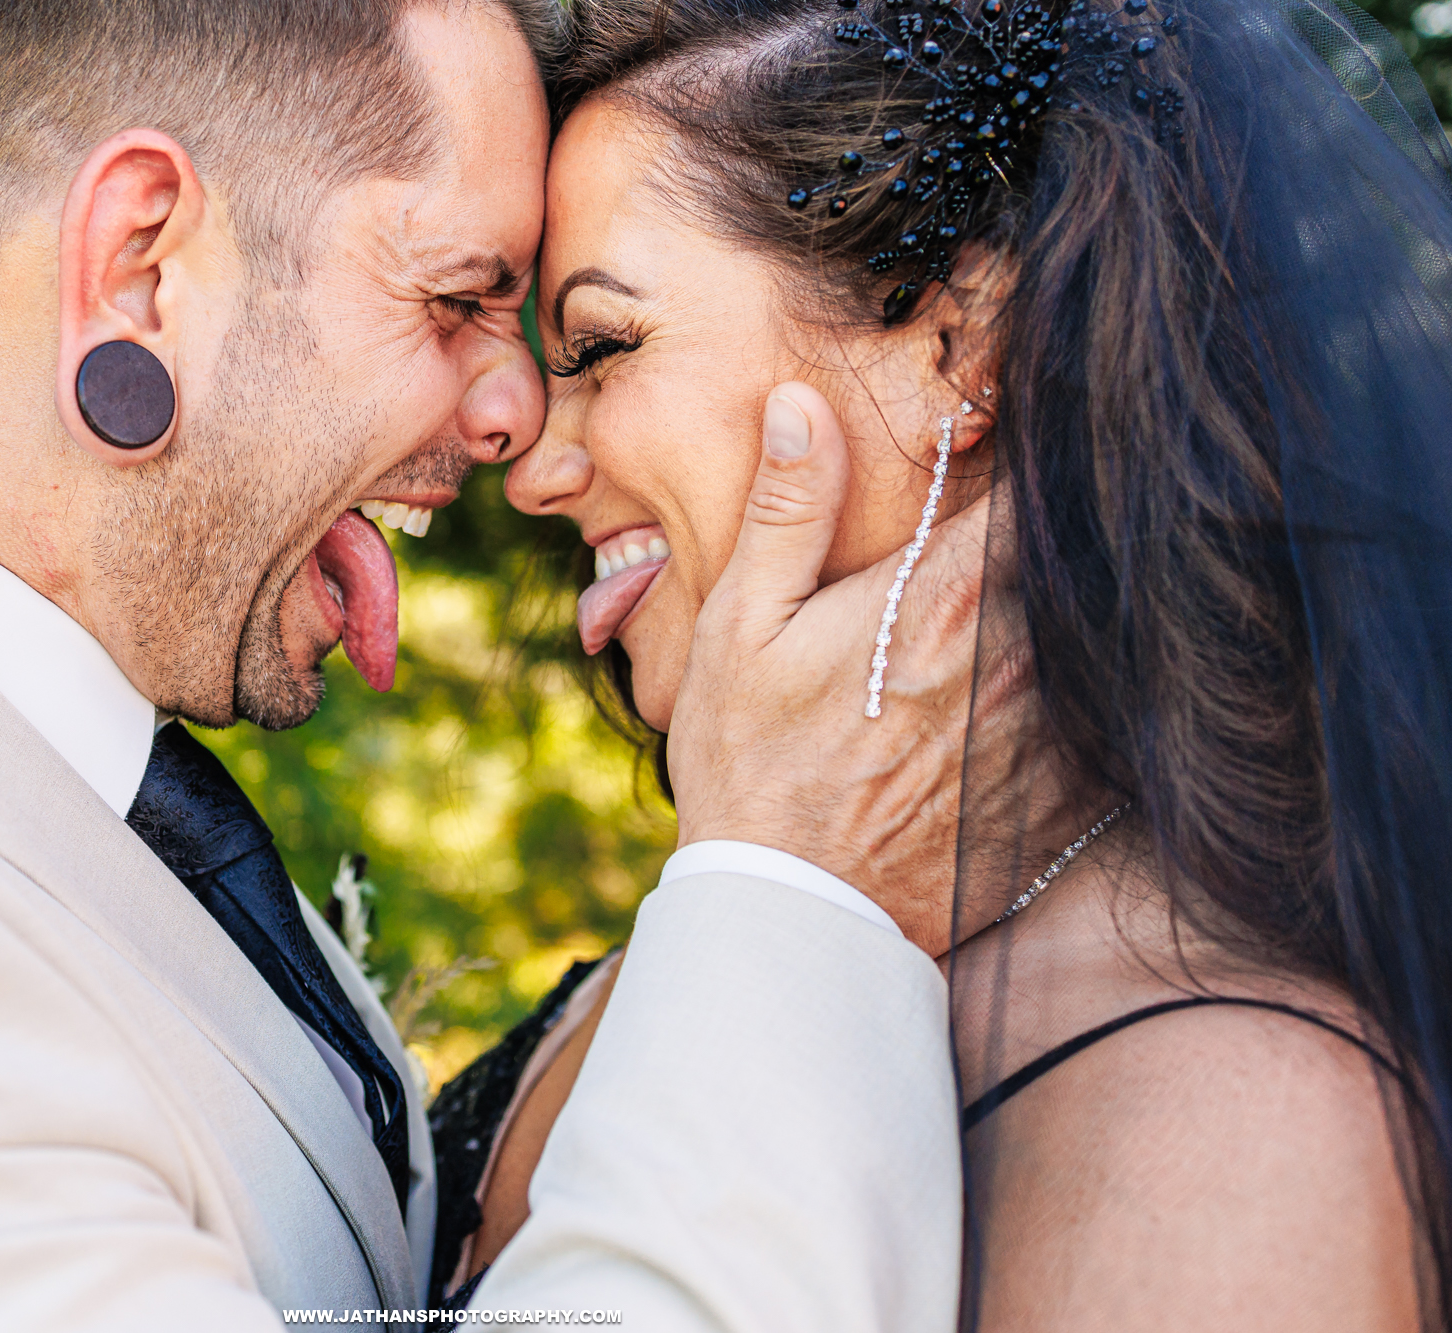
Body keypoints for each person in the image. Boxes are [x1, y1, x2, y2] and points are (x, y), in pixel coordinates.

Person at [0, 1, 980, 1328]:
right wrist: (790, 881)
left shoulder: (71, 806)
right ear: (140, 270)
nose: (514, 415)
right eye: (452, 298)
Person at [487, 0, 1452, 1326]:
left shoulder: (1238, 1129)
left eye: (600, 350)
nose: (533, 467)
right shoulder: (727, 895)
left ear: (959, 343)